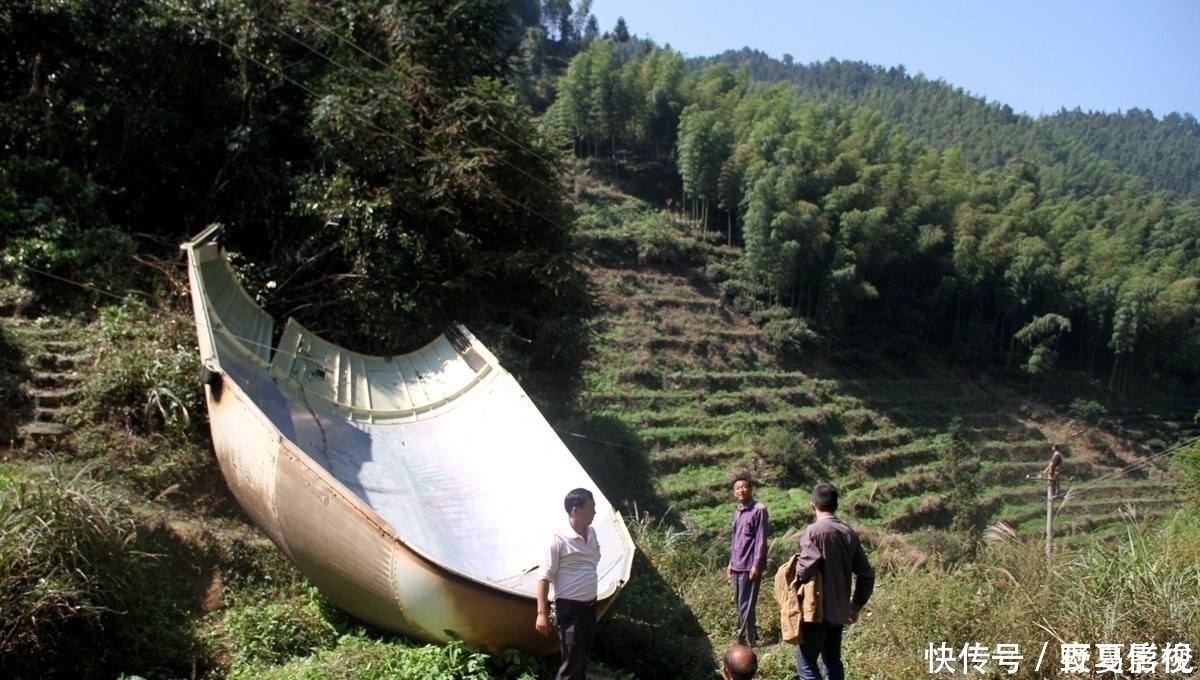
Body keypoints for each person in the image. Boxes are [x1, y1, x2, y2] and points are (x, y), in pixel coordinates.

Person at [794, 482, 874, 680]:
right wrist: (855, 606)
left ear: (812, 505)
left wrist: (794, 574)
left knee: (806, 665)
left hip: (816, 611)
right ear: (836, 505)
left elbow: (805, 569)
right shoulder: (848, 532)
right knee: (832, 661)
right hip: (839, 612)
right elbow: (866, 574)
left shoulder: (813, 532)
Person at [535, 488, 601, 680]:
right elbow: (544, 577)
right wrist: (541, 613)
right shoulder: (557, 539)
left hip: (589, 607)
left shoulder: (592, 533)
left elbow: (593, 560)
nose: (594, 513)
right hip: (570, 610)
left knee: (582, 656)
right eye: (590, 509)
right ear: (575, 511)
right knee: (572, 660)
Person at [726, 476, 768, 647]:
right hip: (737, 564)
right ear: (734, 492)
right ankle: (750, 635)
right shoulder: (738, 511)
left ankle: (746, 640)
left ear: (750, 489)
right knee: (740, 602)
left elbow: (761, 539)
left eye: (744, 487)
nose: (741, 490)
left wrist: (756, 564)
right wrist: (730, 563)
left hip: (749, 566)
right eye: (737, 488)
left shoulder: (759, 510)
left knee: (746, 604)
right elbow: (735, 538)